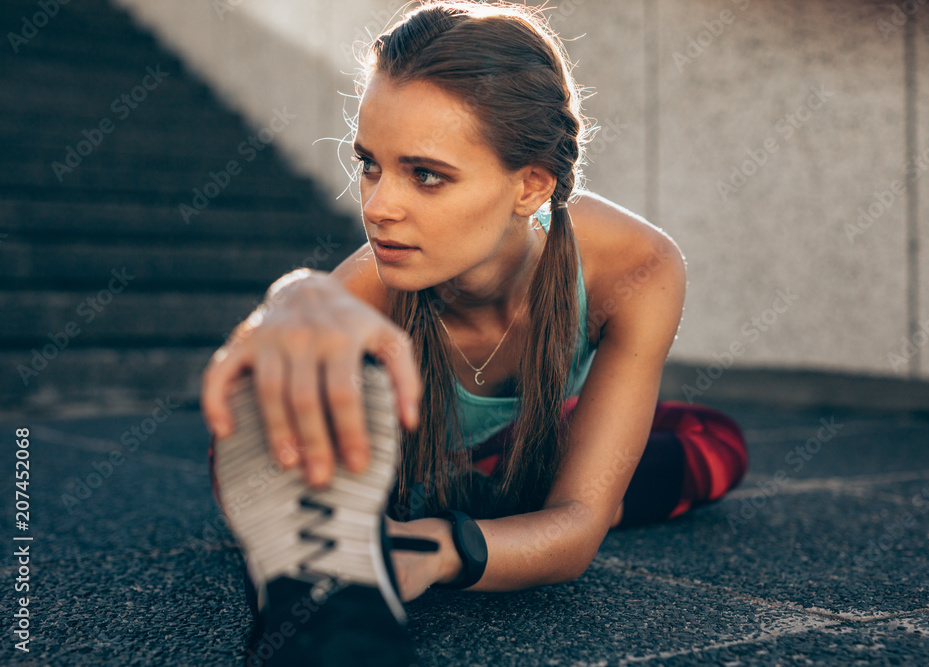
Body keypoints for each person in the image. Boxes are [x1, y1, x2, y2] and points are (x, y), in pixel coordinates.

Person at [202, 1, 748, 664]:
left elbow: (578, 526)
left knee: (714, 440)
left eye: (425, 174)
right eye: (370, 163)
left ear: (530, 186)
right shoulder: (371, 287)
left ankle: (479, 478)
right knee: (299, 441)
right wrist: (291, 295)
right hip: (413, 463)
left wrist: (439, 547)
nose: (376, 206)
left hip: (534, 446)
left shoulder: (638, 268)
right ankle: (337, 603)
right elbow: (263, 414)